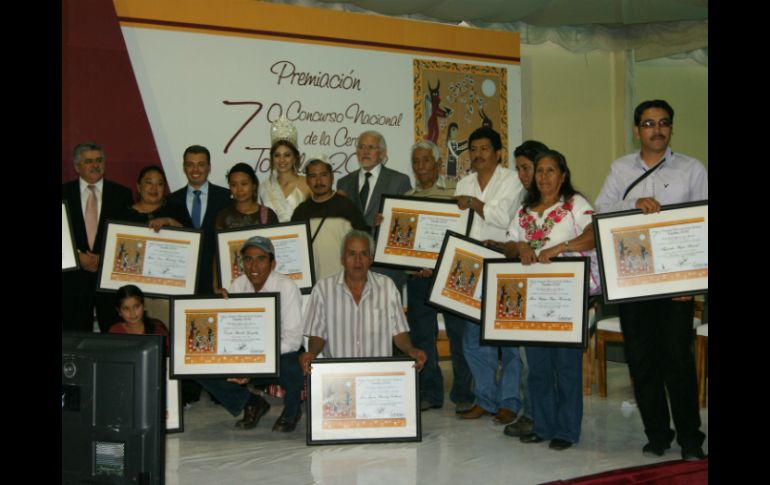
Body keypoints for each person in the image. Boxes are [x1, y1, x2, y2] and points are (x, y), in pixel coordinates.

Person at [594, 100, 707, 461]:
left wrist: (692, 284)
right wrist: (633, 204)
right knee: (642, 362)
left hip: (676, 286)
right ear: (636, 130)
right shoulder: (620, 169)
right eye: (648, 123)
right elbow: (600, 210)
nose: (657, 130)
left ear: (671, 128)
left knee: (677, 361)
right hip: (634, 282)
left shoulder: (692, 169)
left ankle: (691, 440)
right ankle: (657, 434)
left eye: (663, 123)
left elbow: (702, 225)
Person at [506, 149, 595, 451]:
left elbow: (594, 234)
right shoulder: (525, 210)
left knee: (566, 367)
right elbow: (508, 244)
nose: (544, 177)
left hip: (567, 298)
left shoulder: (574, 204)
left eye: (551, 171)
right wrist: (520, 247)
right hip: (532, 299)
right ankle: (542, 426)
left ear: (563, 175)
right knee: (538, 367)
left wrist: (561, 248)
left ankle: (566, 431)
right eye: (539, 171)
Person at [453, 127, 525, 427]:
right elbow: (455, 227)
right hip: (469, 267)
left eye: (484, 148)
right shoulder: (464, 183)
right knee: (472, 339)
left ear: (498, 153)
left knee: (507, 340)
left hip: (503, 265)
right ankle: (484, 399)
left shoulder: (512, 180)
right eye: (473, 149)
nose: (478, 154)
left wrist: (473, 203)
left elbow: (502, 217)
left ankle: (509, 402)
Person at [198, 236, 305, 432]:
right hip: (246, 352)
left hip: (279, 352)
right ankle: (250, 402)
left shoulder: (286, 287)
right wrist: (216, 307)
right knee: (199, 364)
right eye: (248, 259)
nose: (253, 266)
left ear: (273, 263)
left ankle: (292, 410)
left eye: (260, 259)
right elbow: (229, 332)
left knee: (293, 366)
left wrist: (254, 364)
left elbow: (292, 341)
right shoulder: (237, 285)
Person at [400, 140, 475, 413]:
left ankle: (463, 392)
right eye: (416, 161)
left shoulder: (456, 193)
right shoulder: (405, 199)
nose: (420, 166)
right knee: (422, 336)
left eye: (426, 160)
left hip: (451, 275)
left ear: (438, 163)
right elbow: (403, 243)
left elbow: (466, 234)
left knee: (458, 334)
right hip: (418, 277)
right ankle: (430, 392)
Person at [299, 230, 427, 372]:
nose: (358, 260)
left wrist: (410, 350)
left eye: (364, 254)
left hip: (378, 374)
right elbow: (317, 334)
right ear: (342, 259)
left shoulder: (387, 287)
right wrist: (312, 354)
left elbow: (399, 332)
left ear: (371, 259)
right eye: (352, 254)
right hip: (338, 374)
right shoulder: (323, 289)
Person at [502, 139, 549, 437]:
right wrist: (518, 246)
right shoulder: (523, 204)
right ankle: (531, 413)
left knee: (549, 361)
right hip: (526, 289)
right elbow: (509, 243)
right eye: (518, 169)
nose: (522, 175)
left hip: (555, 292)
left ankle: (549, 416)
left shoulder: (568, 203)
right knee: (525, 357)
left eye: (526, 168)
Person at [62, 142, 133, 333]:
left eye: (99, 160)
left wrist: (104, 259)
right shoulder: (63, 193)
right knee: (74, 338)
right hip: (72, 282)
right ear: (77, 166)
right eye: (88, 161)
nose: (95, 165)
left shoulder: (122, 195)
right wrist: (77, 256)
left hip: (109, 280)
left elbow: (128, 238)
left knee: (113, 335)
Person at [336, 130, 412, 292]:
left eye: (371, 147)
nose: (365, 151)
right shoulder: (344, 183)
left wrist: (389, 223)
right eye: (361, 147)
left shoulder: (400, 181)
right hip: (353, 269)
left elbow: (407, 227)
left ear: (383, 153)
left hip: (387, 269)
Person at [291, 155, 369, 279]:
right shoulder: (301, 212)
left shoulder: (347, 206)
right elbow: (293, 250)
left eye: (323, 175)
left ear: (332, 177)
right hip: (313, 283)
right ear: (307, 180)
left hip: (344, 282)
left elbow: (365, 243)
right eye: (313, 176)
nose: (318, 181)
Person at [168, 145, 231, 295]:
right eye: (190, 164)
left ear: (209, 167)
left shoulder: (226, 198)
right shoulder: (171, 201)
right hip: (181, 280)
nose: (195, 170)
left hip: (218, 282)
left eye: (201, 164)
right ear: (184, 167)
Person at [213, 163, 279, 292]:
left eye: (244, 184)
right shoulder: (223, 216)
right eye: (234, 185)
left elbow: (276, 251)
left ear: (254, 186)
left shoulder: (268, 214)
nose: (239, 189)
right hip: (234, 286)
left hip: (265, 285)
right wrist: (216, 286)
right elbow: (218, 253)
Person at [259, 116, 311, 222]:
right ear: (272, 158)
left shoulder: (308, 183)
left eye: (287, 155)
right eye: (277, 155)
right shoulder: (264, 187)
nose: (282, 160)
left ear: (295, 157)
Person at [116, 165, 192, 230]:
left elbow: (193, 237)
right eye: (149, 182)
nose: (154, 188)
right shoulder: (123, 215)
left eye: (159, 184)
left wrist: (169, 221)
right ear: (139, 187)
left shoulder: (176, 211)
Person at [108, 285, 169, 351]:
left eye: (136, 307)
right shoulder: (115, 331)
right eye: (126, 309)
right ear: (119, 311)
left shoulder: (158, 332)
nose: (132, 313)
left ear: (144, 306)